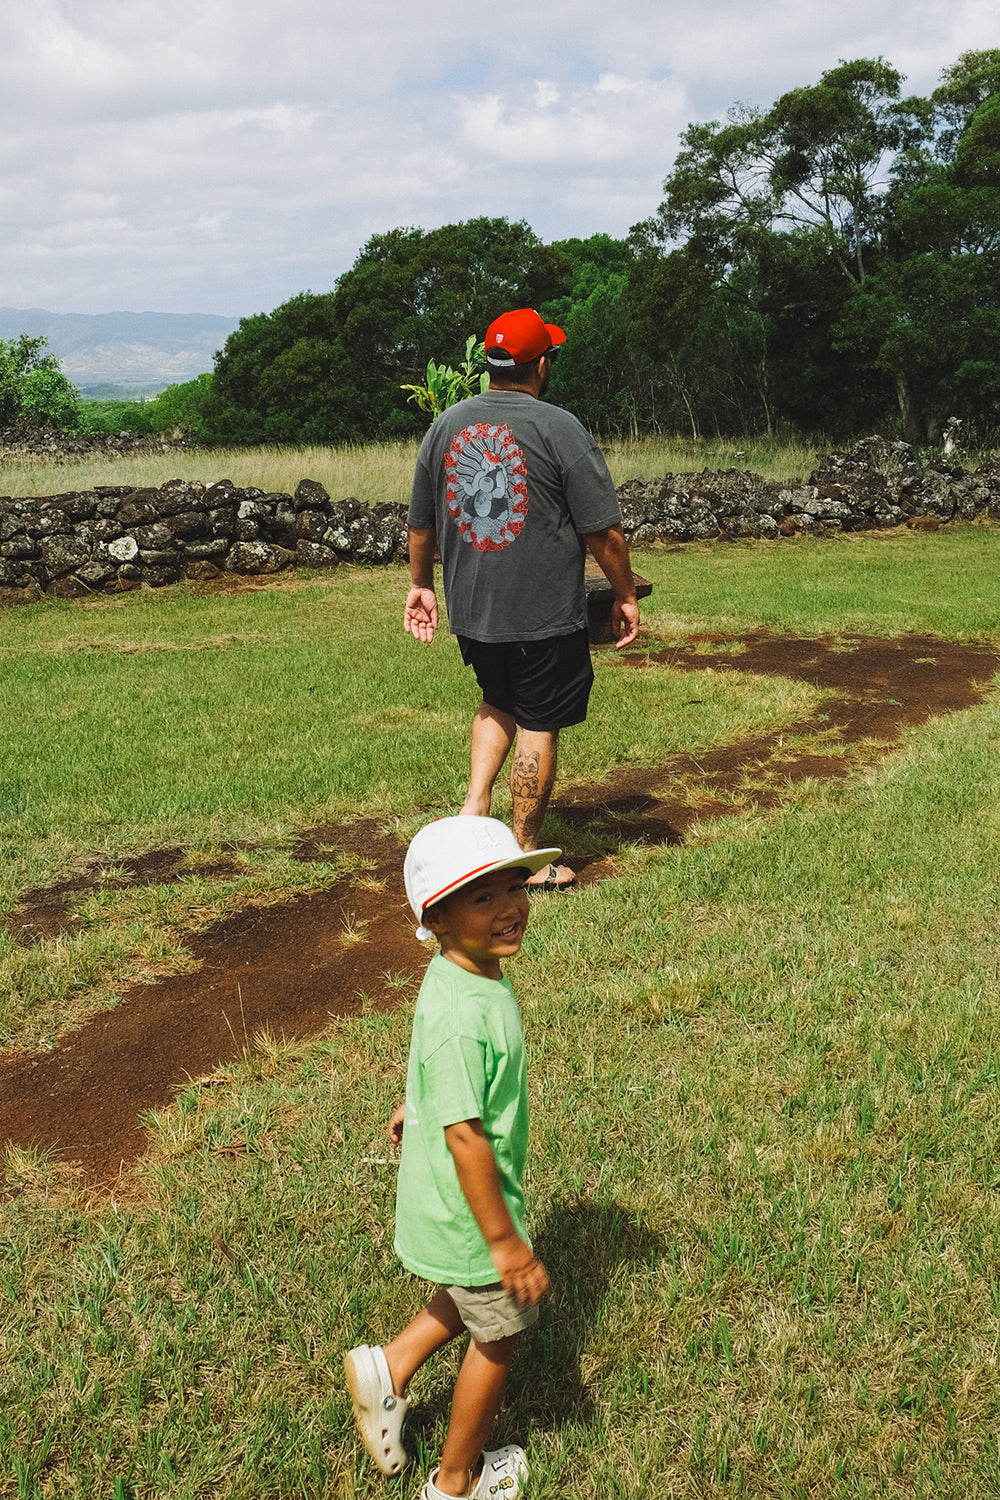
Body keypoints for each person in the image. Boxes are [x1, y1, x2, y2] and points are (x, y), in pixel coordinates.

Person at [344, 815, 557, 1500]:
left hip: (448, 1197)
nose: (510, 907)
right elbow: (467, 1136)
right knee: (497, 1336)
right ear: (435, 917)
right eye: (483, 897)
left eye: (514, 886)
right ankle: (458, 1480)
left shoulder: (457, 976)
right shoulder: (468, 1010)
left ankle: (390, 1368)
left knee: (464, 1295)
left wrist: (417, 1104)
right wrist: (507, 1244)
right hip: (475, 1207)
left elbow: (437, 1066)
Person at [405, 306, 640, 892]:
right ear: (540, 364)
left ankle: (473, 812)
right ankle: (527, 856)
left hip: (475, 610)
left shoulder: (446, 427)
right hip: (541, 614)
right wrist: (625, 593)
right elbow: (603, 532)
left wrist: (420, 587)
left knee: (497, 698)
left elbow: (420, 526)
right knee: (540, 718)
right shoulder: (559, 427)